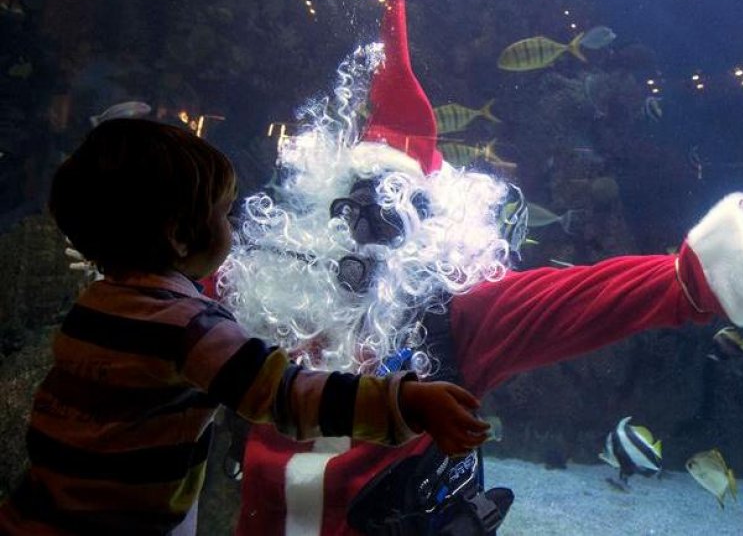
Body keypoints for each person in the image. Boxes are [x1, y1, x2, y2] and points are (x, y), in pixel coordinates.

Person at [227, 0, 743, 536]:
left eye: (387, 211)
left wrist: (724, 273)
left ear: (427, 225)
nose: (364, 233)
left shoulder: (455, 317)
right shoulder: (258, 289)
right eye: (349, 209)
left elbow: (586, 300)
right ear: (314, 209)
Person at [0, 118, 490, 536]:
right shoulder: (189, 328)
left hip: (33, 512)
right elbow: (287, 395)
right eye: (223, 212)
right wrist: (402, 402)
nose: (234, 226)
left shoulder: (95, 304)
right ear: (178, 235)